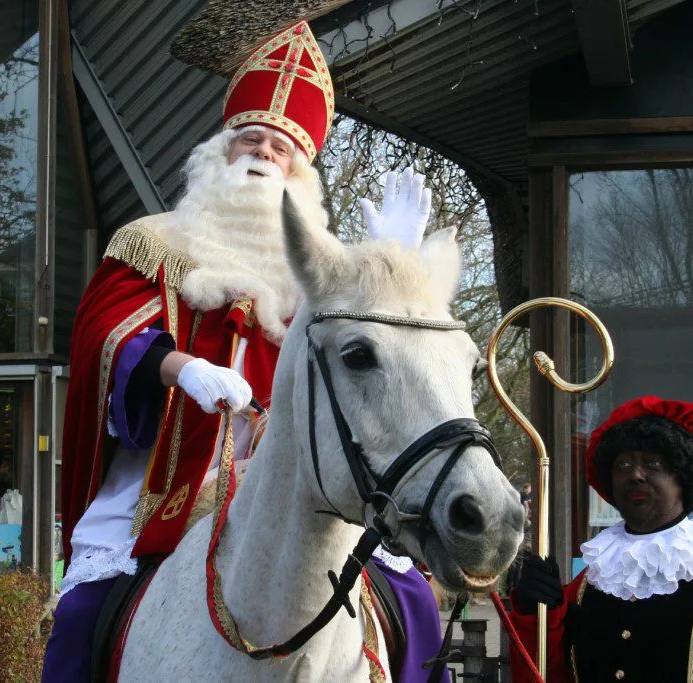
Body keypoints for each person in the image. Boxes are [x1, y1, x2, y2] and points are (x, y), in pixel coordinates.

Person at [41, 20, 444, 683]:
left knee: (412, 600)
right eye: (249, 139)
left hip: (291, 479)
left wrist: (395, 269)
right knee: (84, 614)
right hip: (164, 481)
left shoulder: (322, 271)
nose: (262, 153)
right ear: (220, 152)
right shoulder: (152, 242)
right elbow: (101, 335)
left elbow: (383, 356)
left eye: (281, 147)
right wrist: (181, 368)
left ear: (302, 172)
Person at [508, 395, 693, 682]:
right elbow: (543, 674)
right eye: (622, 465)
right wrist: (534, 618)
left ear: (683, 480)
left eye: (653, 464)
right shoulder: (590, 582)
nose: (635, 474)